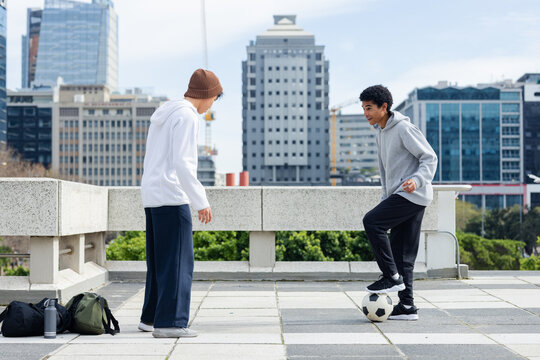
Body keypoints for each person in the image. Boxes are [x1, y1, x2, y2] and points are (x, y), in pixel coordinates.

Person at [139, 69, 222, 338]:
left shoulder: (165, 112)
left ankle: (150, 319)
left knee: (159, 262)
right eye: (215, 98)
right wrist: (201, 201)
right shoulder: (187, 116)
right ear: (207, 95)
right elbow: (183, 164)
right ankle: (171, 323)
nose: (212, 105)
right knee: (177, 263)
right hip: (172, 196)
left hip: (152, 195)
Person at [361, 85, 437, 321]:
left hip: (412, 193)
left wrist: (417, 180)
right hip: (401, 194)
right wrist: (386, 197)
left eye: (370, 108)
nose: (366, 113)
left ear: (384, 107)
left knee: (372, 221)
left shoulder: (403, 128)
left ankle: (391, 277)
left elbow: (429, 157)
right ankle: (407, 306)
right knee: (402, 253)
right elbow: (385, 172)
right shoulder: (380, 132)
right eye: (363, 108)